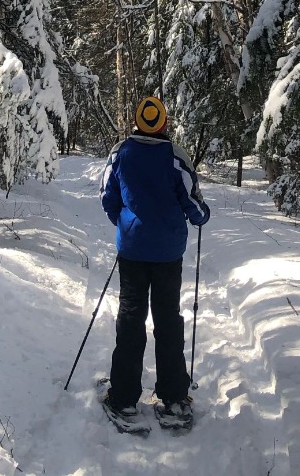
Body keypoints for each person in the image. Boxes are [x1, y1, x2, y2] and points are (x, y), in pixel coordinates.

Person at [100, 94, 210, 425]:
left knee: (131, 317)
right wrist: (201, 215)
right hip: (167, 254)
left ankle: (123, 398)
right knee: (167, 319)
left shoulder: (121, 153)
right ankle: (174, 397)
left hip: (132, 250)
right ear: (163, 122)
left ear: (138, 120)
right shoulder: (175, 156)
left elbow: (108, 197)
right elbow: (193, 202)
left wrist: (124, 222)